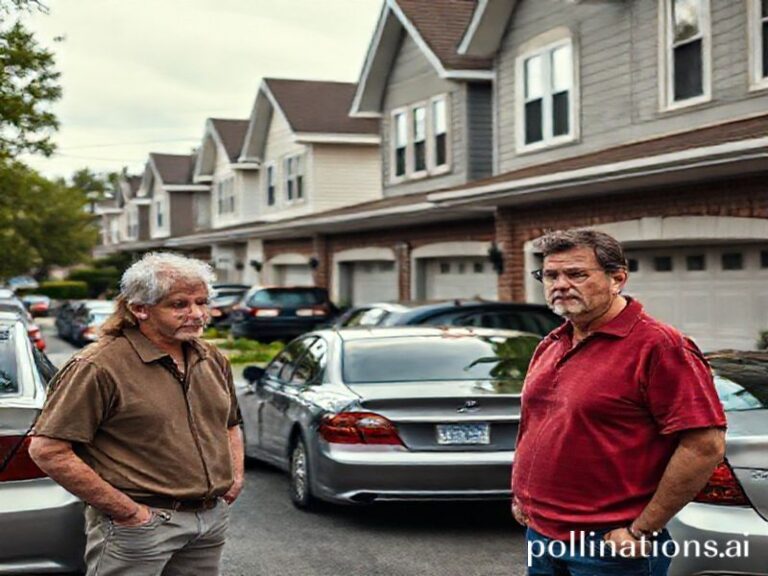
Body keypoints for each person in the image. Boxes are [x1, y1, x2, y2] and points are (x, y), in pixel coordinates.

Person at [511, 229, 726, 576]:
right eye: (551, 275)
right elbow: (535, 425)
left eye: (576, 274)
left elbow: (705, 445)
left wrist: (642, 529)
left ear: (618, 279)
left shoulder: (660, 346)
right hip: (541, 534)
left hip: (610, 546)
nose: (560, 284)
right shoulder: (552, 342)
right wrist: (522, 496)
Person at [29, 252, 244, 576]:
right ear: (140, 308)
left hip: (209, 522)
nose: (197, 314)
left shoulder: (211, 358)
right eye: (180, 304)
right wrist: (128, 512)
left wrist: (234, 479)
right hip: (142, 525)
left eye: (201, 302)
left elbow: (229, 424)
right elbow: (49, 450)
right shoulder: (99, 366)